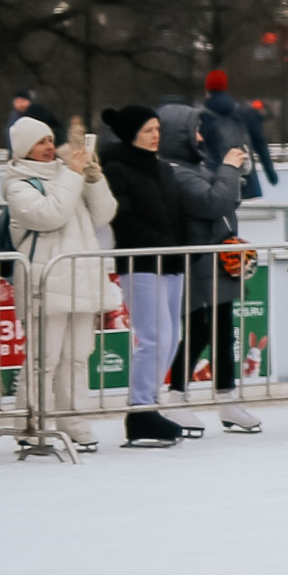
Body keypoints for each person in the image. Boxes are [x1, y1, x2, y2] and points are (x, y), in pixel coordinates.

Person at [1, 116, 117, 452]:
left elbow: (103, 215)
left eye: (51, 139)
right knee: (43, 357)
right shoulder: (18, 184)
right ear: (24, 148)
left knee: (78, 355)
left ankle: (74, 421)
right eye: (41, 142)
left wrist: (94, 179)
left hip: (79, 277)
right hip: (45, 280)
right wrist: (74, 175)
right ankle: (29, 423)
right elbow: (50, 215)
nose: (49, 146)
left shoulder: (68, 176)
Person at [159, 102, 259, 433]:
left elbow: (225, 199)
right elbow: (213, 202)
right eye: (194, 131)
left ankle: (226, 401)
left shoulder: (194, 166)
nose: (200, 137)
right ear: (179, 136)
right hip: (196, 262)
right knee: (199, 330)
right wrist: (229, 170)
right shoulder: (175, 170)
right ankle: (175, 398)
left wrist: (237, 174)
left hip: (217, 261)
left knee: (222, 332)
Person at [97, 106, 194, 447]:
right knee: (154, 337)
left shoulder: (163, 168)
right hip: (140, 263)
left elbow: (176, 212)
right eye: (149, 129)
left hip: (170, 263)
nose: (156, 135)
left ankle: (151, 402)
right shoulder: (117, 168)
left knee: (171, 337)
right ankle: (141, 408)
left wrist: (181, 248)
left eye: (157, 129)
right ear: (131, 133)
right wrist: (164, 244)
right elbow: (124, 219)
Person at [199, 69, 278, 199]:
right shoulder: (246, 113)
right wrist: (271, 174)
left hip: (216, 182)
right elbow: (260, 144)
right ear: (225, 87)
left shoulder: (202, 116)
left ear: (207, 89)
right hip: (246, 181)